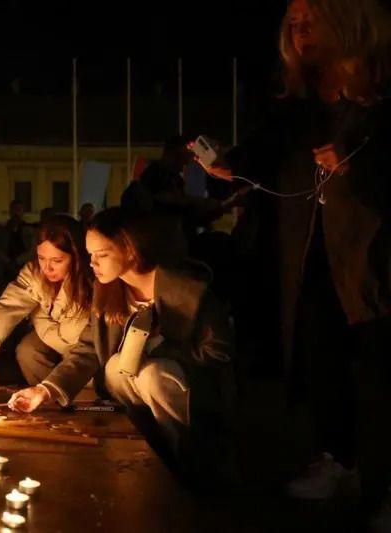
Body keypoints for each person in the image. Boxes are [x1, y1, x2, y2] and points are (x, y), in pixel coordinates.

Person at [200, 0, 391, 515]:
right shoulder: (298, 102)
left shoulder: (378, 91)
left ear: (344, 22)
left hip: (372, 253)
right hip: (311, 248)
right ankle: (340, 459)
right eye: (293, 24)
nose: (301, 32)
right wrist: (230, 165)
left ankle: (380, 480)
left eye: (311, 21)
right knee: (321, 351)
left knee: (376, 361)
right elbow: (268, 150)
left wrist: (357, 165)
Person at [84, 208, 237, 479]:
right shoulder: (109, 289)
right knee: (116, 367)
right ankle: (145, 449)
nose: (92, 263)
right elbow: (87, 345)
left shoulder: (186, 290)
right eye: (90, 255)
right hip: (136, 390)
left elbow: (219, 350)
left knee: (152, 374)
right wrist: (47, 389)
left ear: (131, 250)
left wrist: (159, 347)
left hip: (193, 388)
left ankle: (188, 459)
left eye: (102, 255)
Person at [0, 215, 97, 407]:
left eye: (57, 260)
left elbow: (90, 345)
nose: (47, 267)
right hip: (49, 335)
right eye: (41, 258)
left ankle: (77, 399)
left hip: (80, 343)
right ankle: (46, 401)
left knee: (86, 383)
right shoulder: (34, 273)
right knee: (28, 350)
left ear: (76, 256)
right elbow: (9, 307)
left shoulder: (92, 281)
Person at [0, 200, 35, 289]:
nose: (16, 213)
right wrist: (8, 262)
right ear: (10, 212)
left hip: (23, 269)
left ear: (23, 212)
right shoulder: (1, 231)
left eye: (19, 210)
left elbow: (32, 250)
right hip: (5, 270)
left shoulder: (30, 230)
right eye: (14, 209)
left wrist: (17, 261)